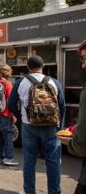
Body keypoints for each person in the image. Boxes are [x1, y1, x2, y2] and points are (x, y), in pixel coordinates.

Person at [8, 55, 65, 194]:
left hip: (29, 127)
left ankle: (29, 191)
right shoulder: (54, 82)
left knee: (29, 161)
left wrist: (22, 118)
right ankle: (55, 191)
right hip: (51, 127)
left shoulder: (20, 82)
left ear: (28, 67)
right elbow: (62, 106)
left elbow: (11, 104)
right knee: (53, 161)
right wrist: (59, 126)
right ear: (43, 66)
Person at [58, 39, 86, 194]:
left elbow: (82, 143)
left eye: (85, 58)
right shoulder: (54, 82)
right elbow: (62, 104)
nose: (82, 65)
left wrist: (72, 144)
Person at [0, 64, 19, 166]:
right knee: (8, 136)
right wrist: (13, 115)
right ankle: (9, 158)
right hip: (4, 114)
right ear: (8, 73)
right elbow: (10, 101)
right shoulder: (8, 84)